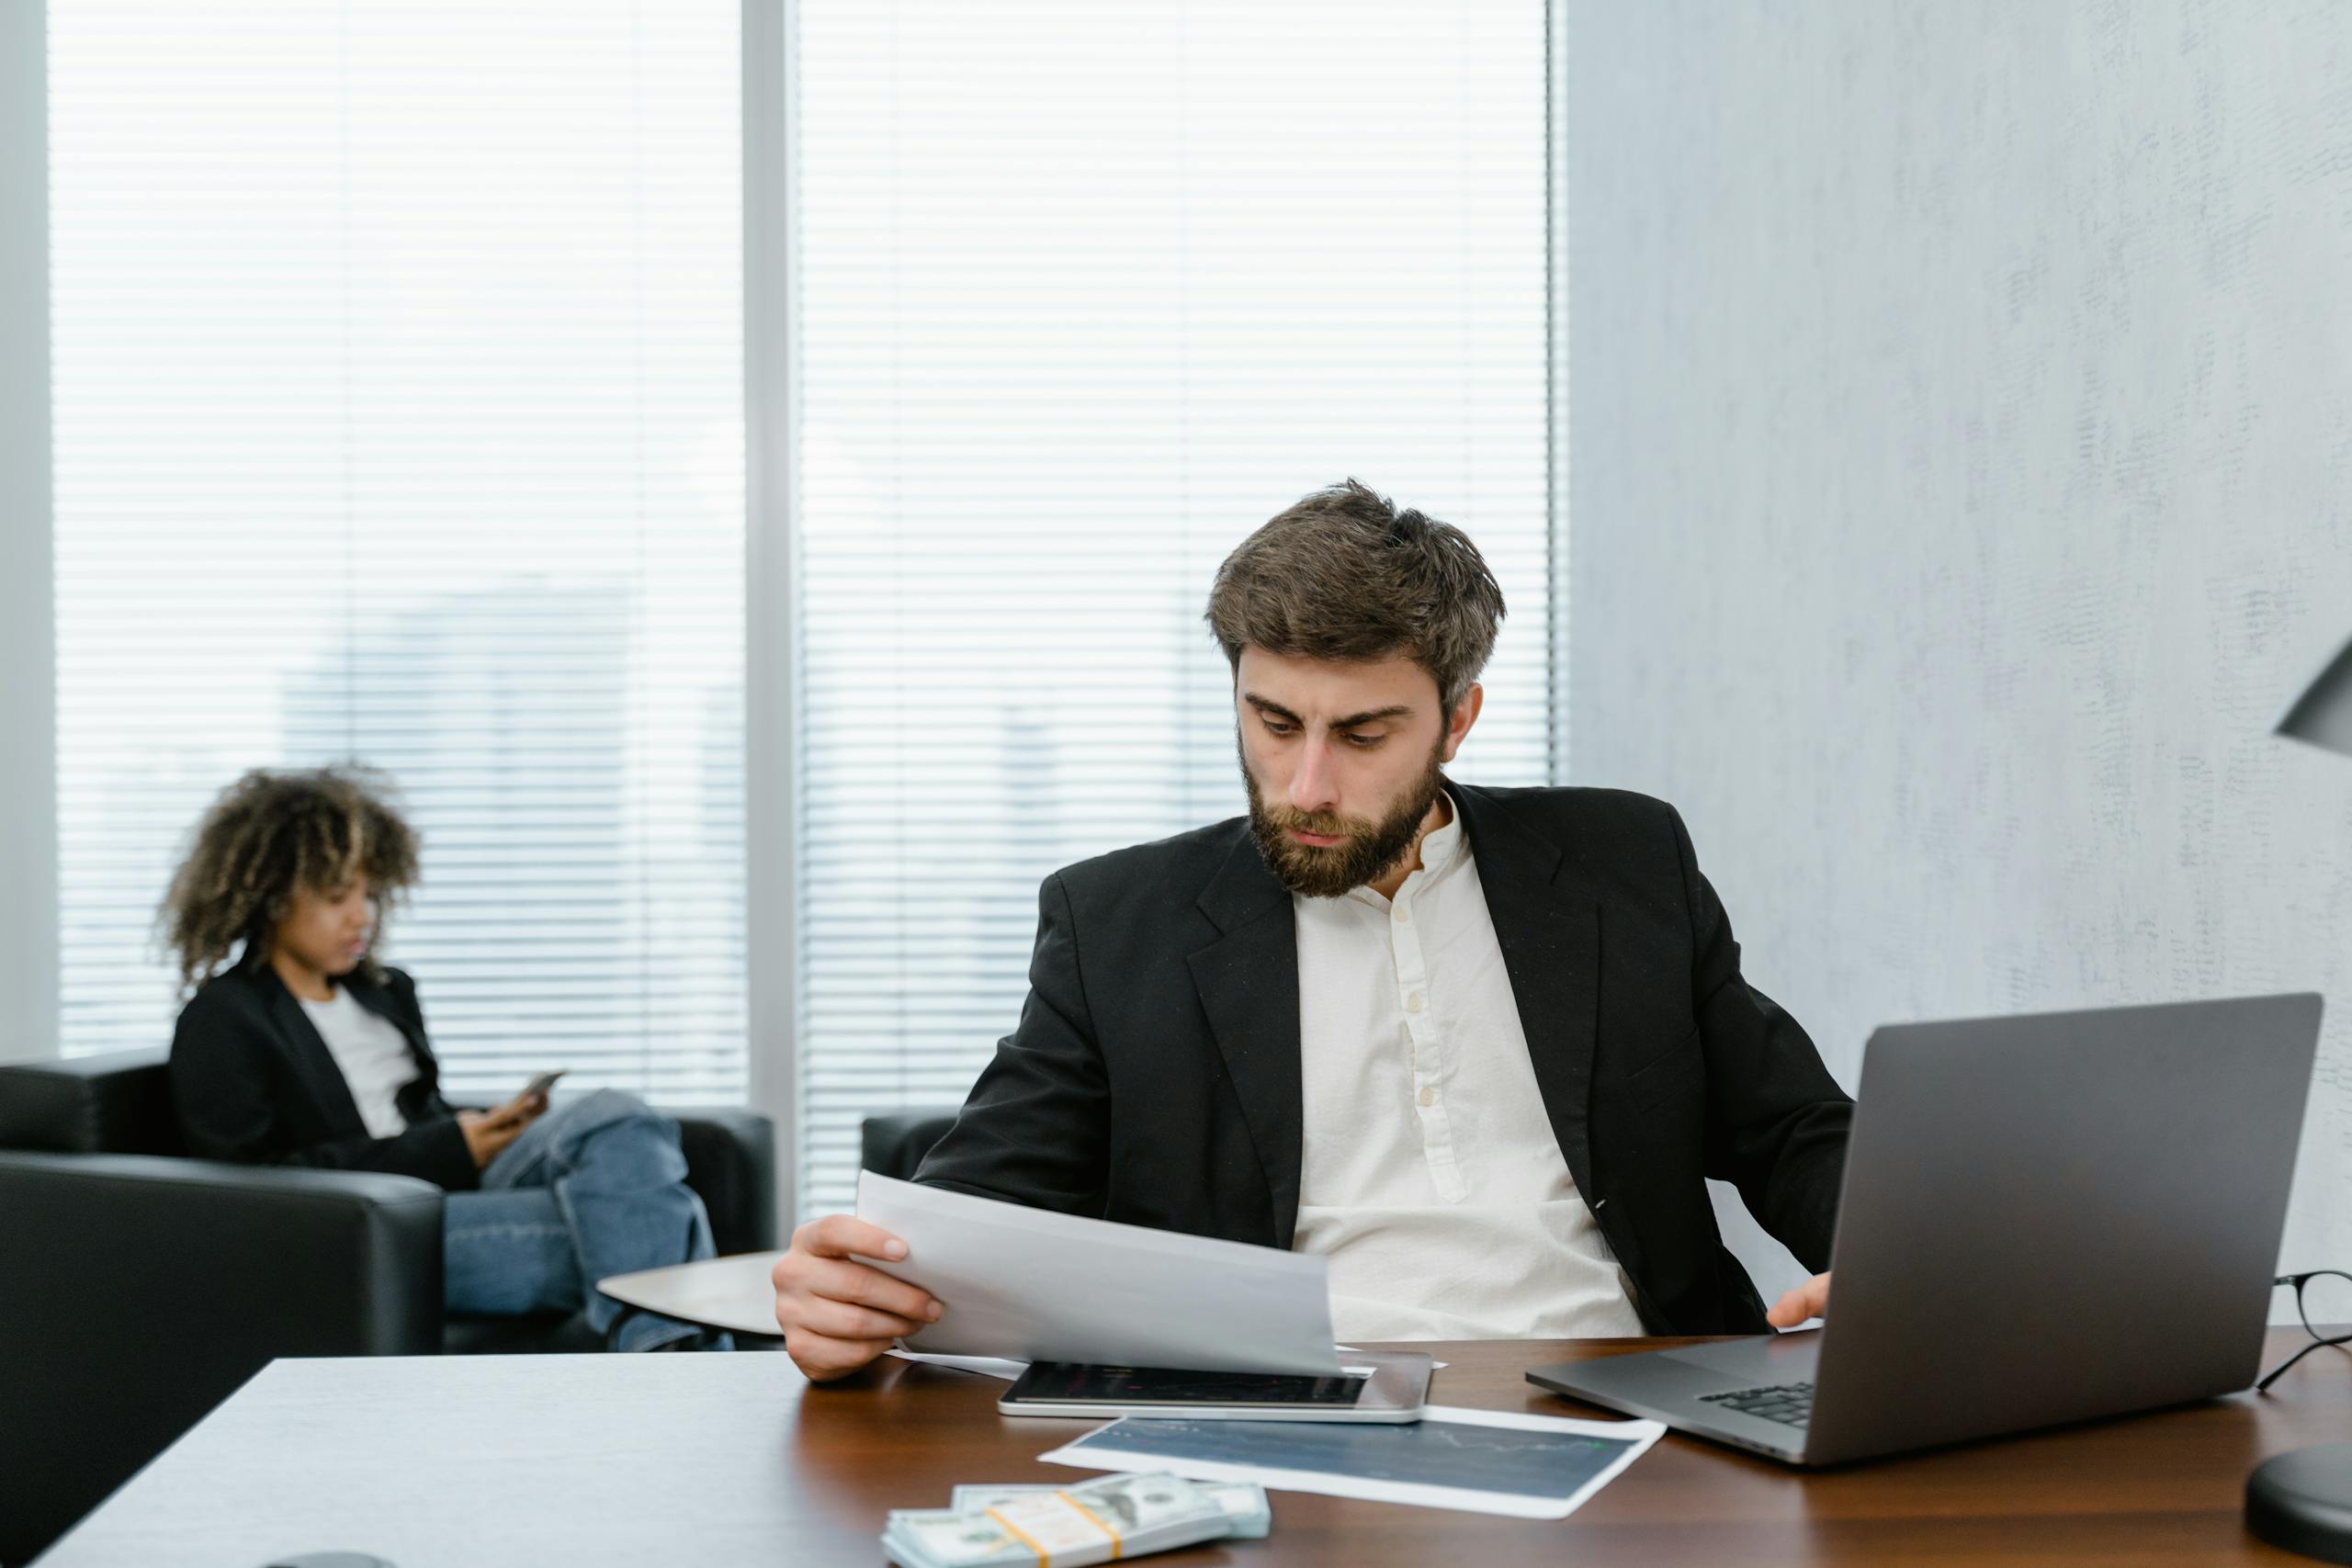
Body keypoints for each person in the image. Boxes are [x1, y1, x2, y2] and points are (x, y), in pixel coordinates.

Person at [773, 479, 1852, 1381]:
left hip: (1632, 1392)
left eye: (1364, 733)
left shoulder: (1622, 863)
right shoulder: (1118, 925)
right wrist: (857, 1298)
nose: (1306, 784)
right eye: (1273, 722)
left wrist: (1896, 1271)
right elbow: (976, 1218)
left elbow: (1792, 1129)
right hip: (1290, 1410)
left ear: (1458, 717)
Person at [163, 765, 729, 1352]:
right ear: (272, 900)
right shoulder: (224, 1017)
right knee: (642, 1223)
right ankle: (675, 1363)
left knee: (618, 1114)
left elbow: (414, 1111)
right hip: (369, 1228)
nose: (362, 916)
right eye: (337, 897)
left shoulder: (385, 990)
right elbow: (255, 1188)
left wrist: (491, 1129)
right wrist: (450, 1147)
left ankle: (664, 1360)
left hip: (451, 1183)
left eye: (369, 893)